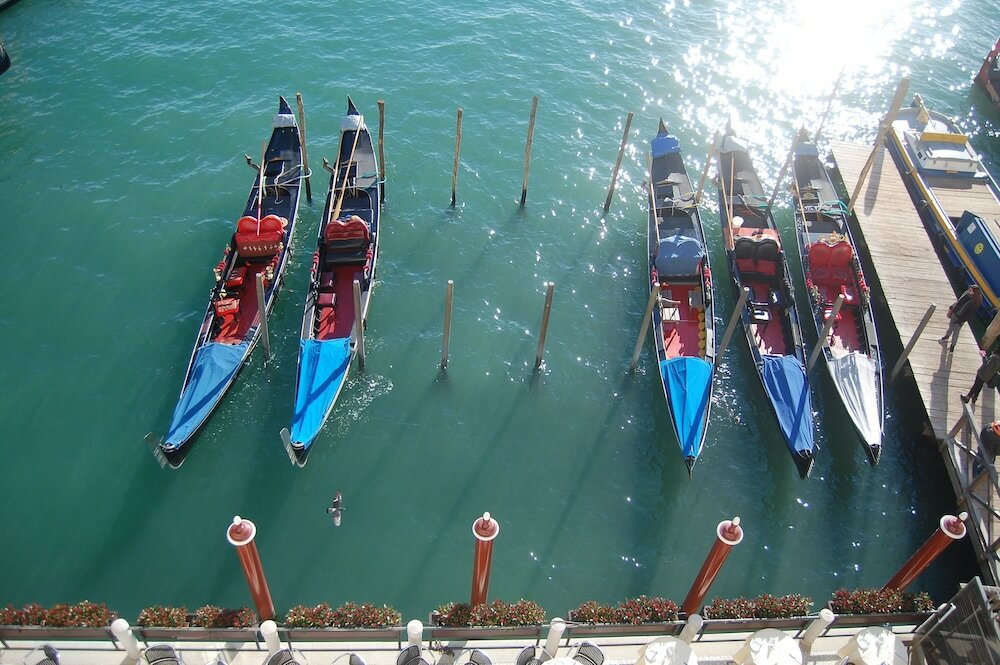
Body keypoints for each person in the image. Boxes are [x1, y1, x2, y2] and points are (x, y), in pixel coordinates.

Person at [940, 284, 982, 353]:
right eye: (970, 289)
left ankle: (952, 346)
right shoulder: (967, 293)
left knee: (956, 332)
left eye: (971, 290)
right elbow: (959, 301)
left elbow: (968, 314)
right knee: (951, 326)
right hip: (955, 313)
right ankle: (946, 336)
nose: (969, 291)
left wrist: (960, 320)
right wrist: (952, 307)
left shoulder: (975, 302)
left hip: (961, 318)